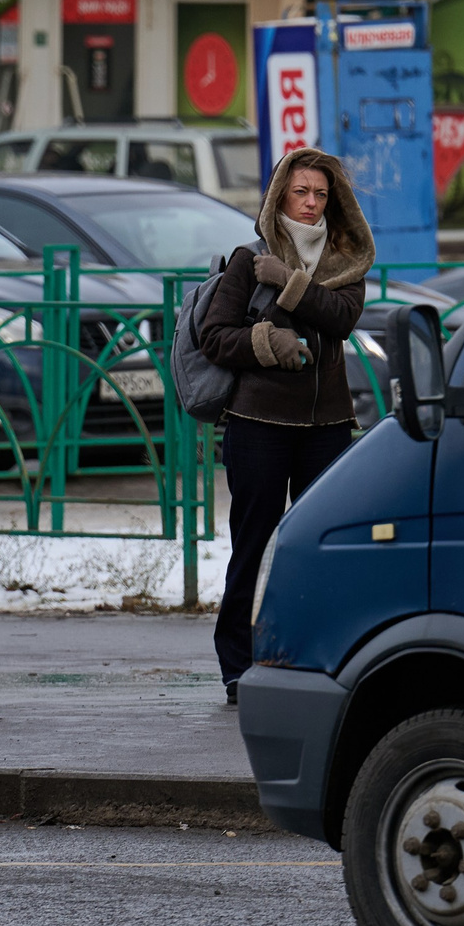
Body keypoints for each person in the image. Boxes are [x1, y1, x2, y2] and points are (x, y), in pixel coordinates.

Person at [197, 148, 372, 703]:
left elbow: (342, 318)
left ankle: (314, 659)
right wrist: (265, 343)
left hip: (326, 424)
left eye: (321, 194)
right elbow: (214, 336)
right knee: (254, 544)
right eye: (301, 192)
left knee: (319, 544)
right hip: (259, 424)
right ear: (280, 197)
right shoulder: (249, 259)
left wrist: (291, 284)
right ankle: (238, 666)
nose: (312, 203)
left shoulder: (347, 260)